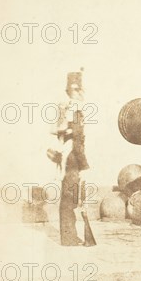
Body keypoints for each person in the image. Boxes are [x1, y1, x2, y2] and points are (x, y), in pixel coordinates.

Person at [55, 70, 90, 246]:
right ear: (75, 92)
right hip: (73, 156)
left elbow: (62, 135)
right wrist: (83, 165)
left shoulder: (65, 108)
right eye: (79, 91)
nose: (81, 94)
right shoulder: (75, 109)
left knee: (69, 196)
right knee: (71, 196)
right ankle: (69, 238)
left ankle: (69, 236)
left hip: (67, 155)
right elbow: (77, 140)